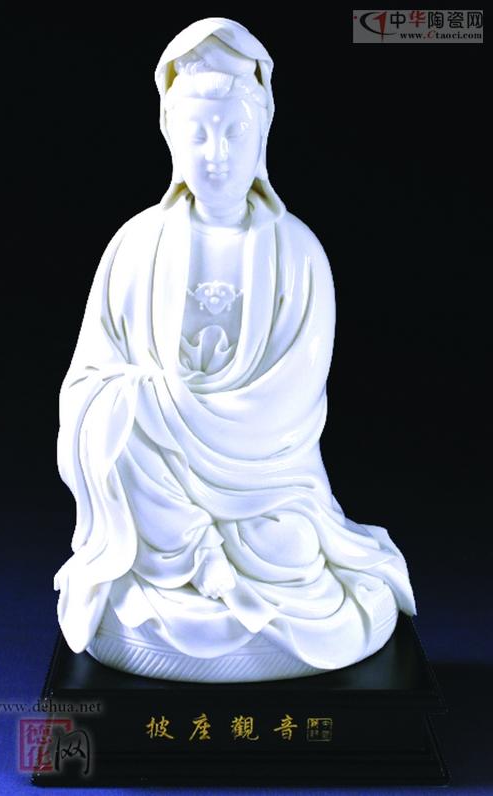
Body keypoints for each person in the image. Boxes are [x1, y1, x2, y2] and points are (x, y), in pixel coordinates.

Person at [54, 17, 416, 682]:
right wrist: (145, 405)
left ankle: (221, 567)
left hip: (265, 483)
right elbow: (88, 381)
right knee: (117, 428)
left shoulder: (297, 253)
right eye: (197, 133)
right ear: (170, 135)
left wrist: (181, 410)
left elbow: (293, 402)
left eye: (233, 132)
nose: (215, 153)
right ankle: (196, 559)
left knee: (291, 547)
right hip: (160, 478)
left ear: (262, 134)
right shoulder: (135, 247)